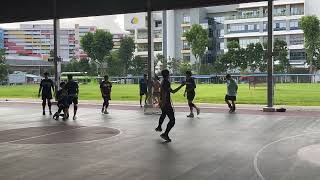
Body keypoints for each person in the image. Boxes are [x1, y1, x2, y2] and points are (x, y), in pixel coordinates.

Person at [155, 69, 185, 142]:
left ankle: (159, 127)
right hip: (166, 104)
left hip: (163, 103)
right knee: (172, 120)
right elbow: (171, 92)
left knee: (163, 114)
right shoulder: (167, 82)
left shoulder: (163, 82)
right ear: (168, 75)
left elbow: (164, 92)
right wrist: (182, 85)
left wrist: (161, 102)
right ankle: (165, 134)